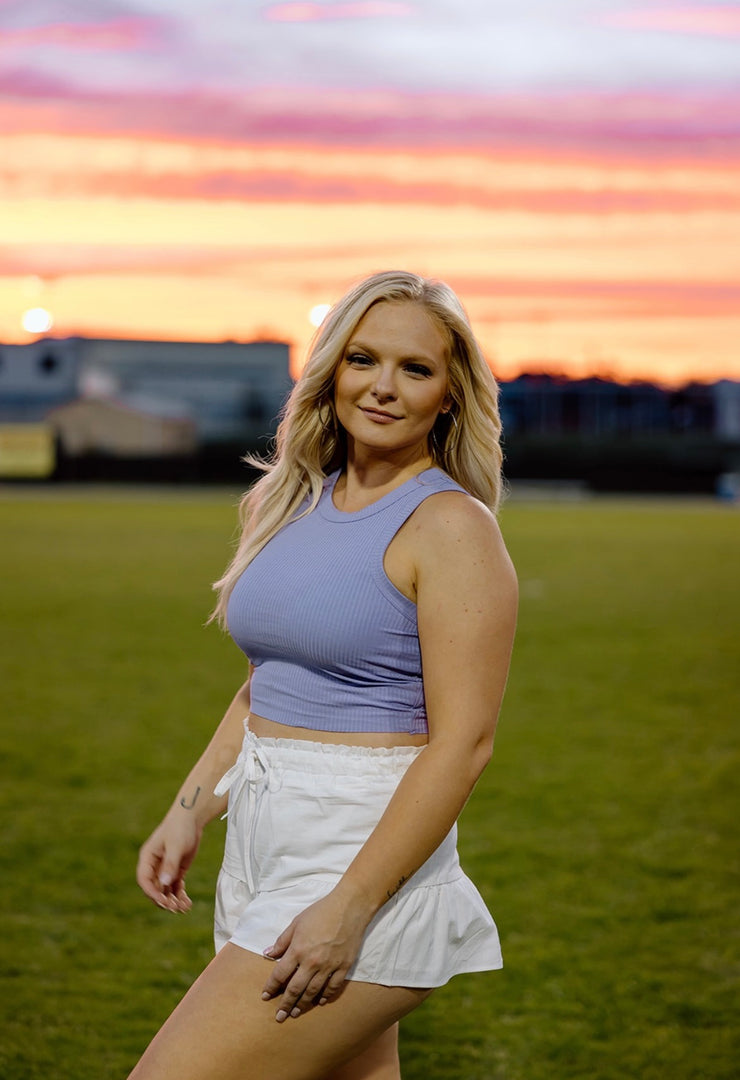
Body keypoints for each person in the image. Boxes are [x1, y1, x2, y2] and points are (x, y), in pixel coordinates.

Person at [129, 270, 518, 1080]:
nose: (382, 387)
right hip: (263, 836)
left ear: (450, 395)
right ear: (331, 369)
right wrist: (191, 808)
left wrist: (350, 904)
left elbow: (466, 743)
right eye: (362, 359)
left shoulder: (450, 526)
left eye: (415, 369)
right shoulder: (287, 500)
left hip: (359, 850)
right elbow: (261, 685)